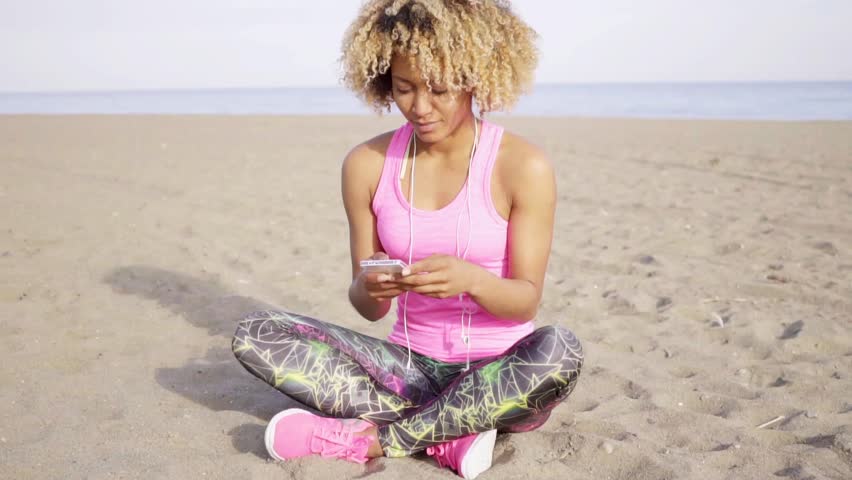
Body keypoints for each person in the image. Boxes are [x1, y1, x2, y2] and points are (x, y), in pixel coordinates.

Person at [232, 1, 583, 478]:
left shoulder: (524, 167)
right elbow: (367, 307)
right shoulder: (366, 165)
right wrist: (371, 287)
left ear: (476, 79)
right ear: (383, 82)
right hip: (408, 370)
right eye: (404, 88)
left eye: (439, 88)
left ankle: (376, 439)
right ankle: (447, 434)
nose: (420, 106)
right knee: (256, 333)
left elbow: (524, 303)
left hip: (500, 370)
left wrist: (473, 280)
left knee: (561, 349)